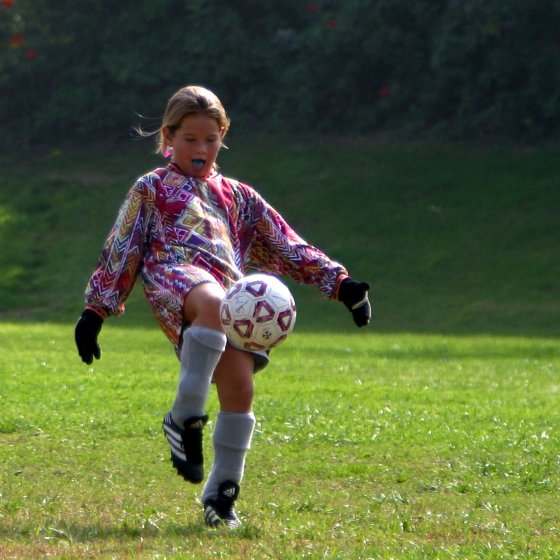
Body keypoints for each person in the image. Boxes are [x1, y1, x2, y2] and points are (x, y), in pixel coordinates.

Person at [74, 85, 371, 528]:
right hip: (173, 278)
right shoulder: (152, 188)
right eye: (190, 139)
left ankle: (221, 498)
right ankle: (184, 417)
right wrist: (95, 311)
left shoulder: (240, 197)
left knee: (240, 390)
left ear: (223, 136)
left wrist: (342, 284)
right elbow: (123, 248)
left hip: (228, 298)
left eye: (210, 139)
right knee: (211, 300)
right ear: (168, 138)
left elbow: (288, 245)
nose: (200, 148)